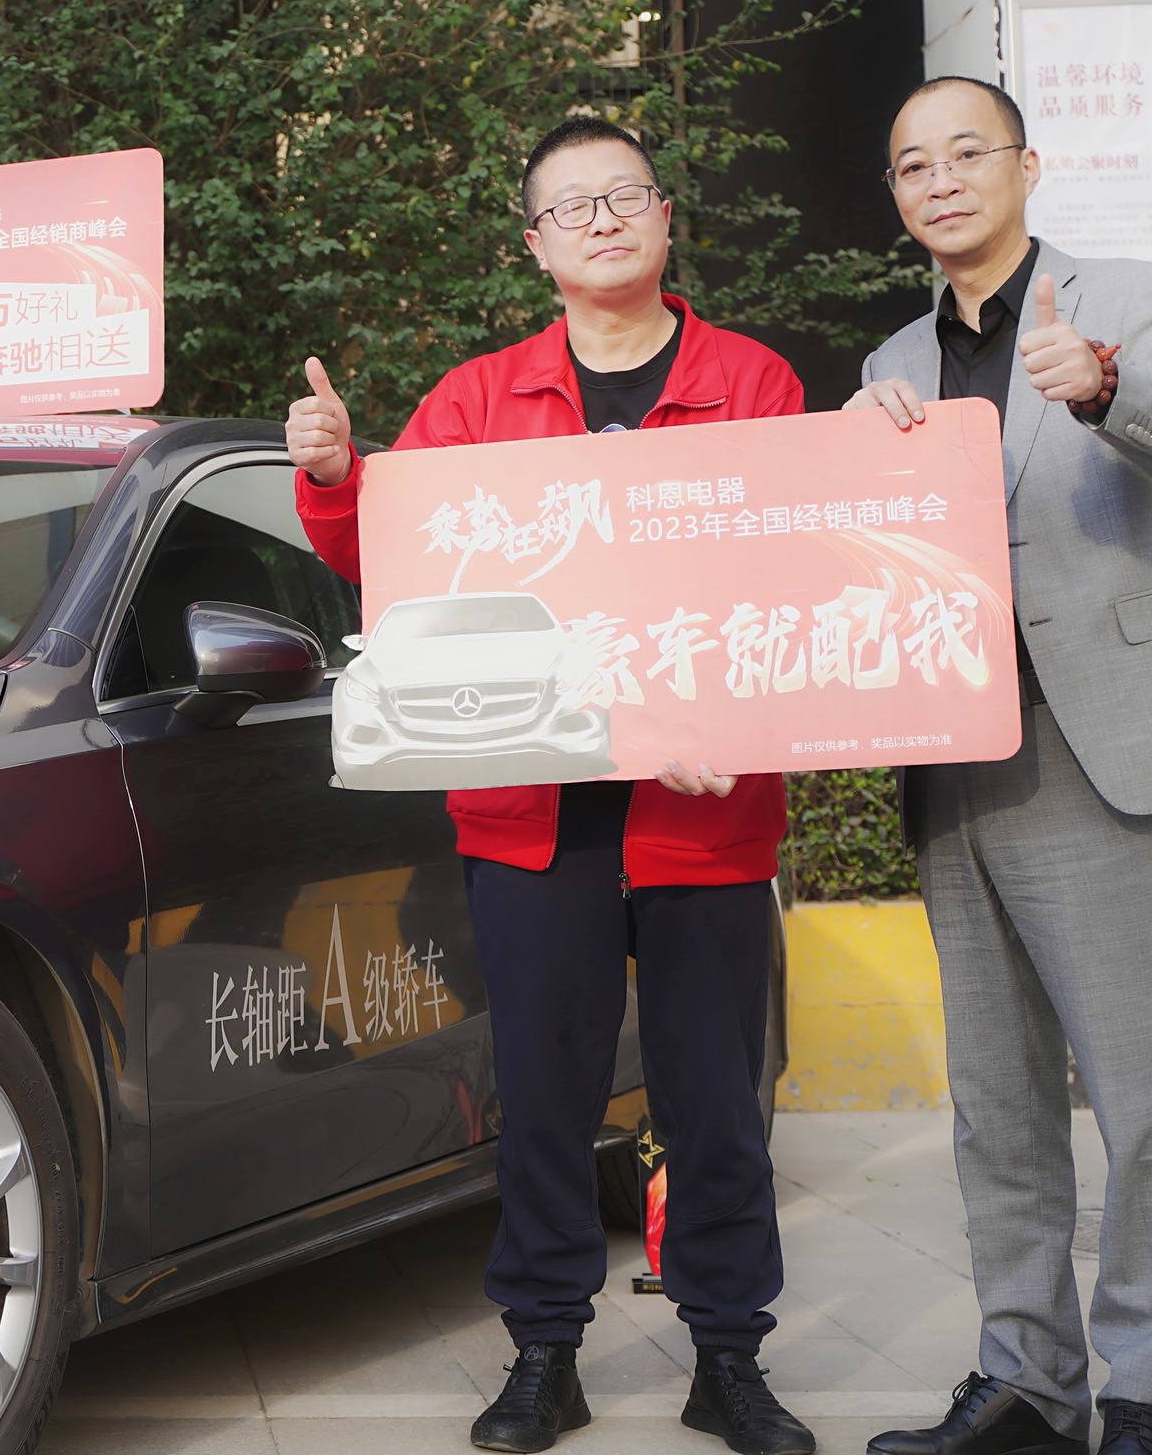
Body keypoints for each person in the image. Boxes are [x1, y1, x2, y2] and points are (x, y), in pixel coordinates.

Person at [288, 117, 813, 1455]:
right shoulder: (477, 401)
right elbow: (396, 562)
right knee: (543, 1093)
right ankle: (544, 1351)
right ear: (535, 245)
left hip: (702, 807)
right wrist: (337, 478)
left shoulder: (752, 383)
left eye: (624, 195)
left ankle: (728, 1355)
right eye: (571, 206)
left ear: (666, 216)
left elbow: (797, 573)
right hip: (536, 814)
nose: (602, 220)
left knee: (713, 1097)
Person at [848, 78, 1152, 1455]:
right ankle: (1027, 1380)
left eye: (968, 152)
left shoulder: (1121, 296)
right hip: (952, 758)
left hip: (1099, 746)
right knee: (996, 1106)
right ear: (897, 196)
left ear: (1028, 165)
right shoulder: (892, 358)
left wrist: (1108, 387)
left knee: (1140, 1103)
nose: (942, 180)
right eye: (914, 165)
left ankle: (1144, 1393)